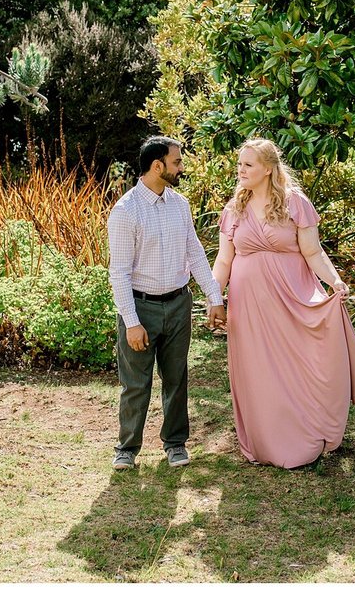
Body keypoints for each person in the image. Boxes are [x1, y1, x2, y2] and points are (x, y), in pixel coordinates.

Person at [211, 137, 355, 468]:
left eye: (248, 164)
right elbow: (224, 260)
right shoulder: (235, 209)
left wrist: (335, 280)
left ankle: (306, 433)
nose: (240, 170)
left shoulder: (294, 203)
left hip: (290, 298)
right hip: (248, 306)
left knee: (298, 367)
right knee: (257, 372)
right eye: (240, 164)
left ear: (268, 169)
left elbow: (313, 252)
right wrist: (214, 296)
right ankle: (265, 442)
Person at [107, 136, 227, 470]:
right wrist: (131, 321)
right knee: (136, 383)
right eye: (177, 162)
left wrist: (213, 297)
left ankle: (175, 444)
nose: (181, 167)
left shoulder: (180, 205)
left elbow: (195, 253)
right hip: (140, 308)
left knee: (176, 377)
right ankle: (127, 449)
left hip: (178, 304)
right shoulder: (125, 211)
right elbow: (118, 273)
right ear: (157, 165)